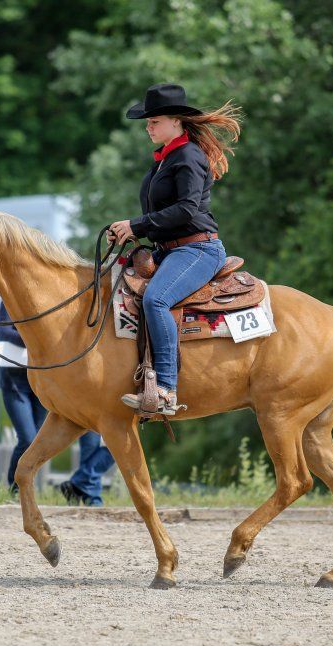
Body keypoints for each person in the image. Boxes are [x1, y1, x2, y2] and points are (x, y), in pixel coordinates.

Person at [108, 83, 242, 415]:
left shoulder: (188, 156)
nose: (148, 127)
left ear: (176, 122)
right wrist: (129, 232)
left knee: (156, 299)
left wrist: (136, 225)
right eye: (148, 122)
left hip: (198, 250)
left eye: (154, 121)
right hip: (170, 250)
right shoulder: (166, 159)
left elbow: (186, 209)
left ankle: (166, 389)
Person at [0, 302, 115, 504]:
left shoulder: (46, 300)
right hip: (15, 380)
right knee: (28, 439)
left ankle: (83, 486)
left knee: (40, 442)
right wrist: (37, 340)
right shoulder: (10, 299)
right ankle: (16, 491)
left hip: (44, 379)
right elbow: (4, 331)